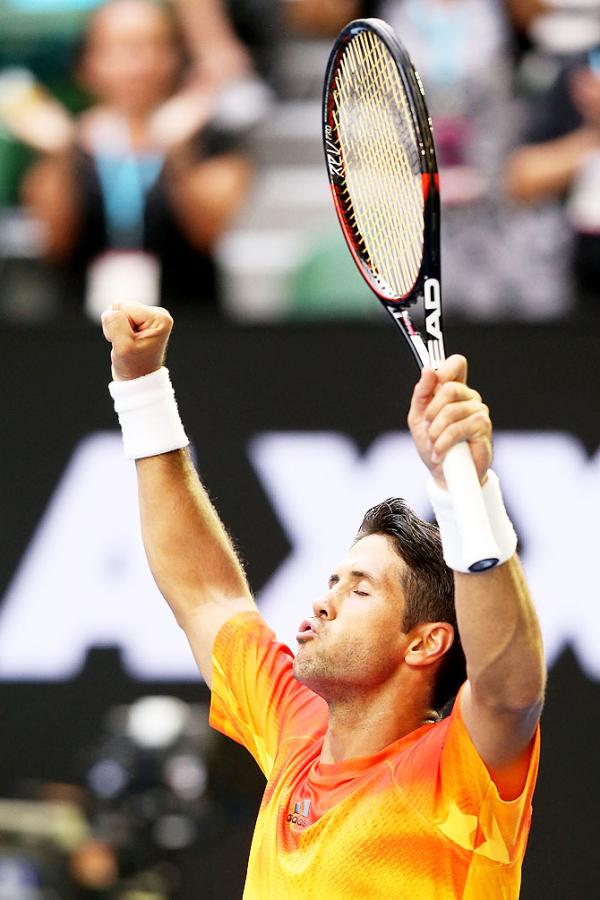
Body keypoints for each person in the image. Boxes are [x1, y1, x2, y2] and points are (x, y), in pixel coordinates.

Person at [101, 301, 545, 898]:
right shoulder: (296, 729)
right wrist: (141, 387)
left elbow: (509, 690)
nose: (322, 604)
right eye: (333, 582)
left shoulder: (455, 776)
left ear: (425, 642)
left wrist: (467, 492)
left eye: (359, 589)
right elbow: (205, 593)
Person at [8, 0, 253, 315]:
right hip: (80, 332)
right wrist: (60, 157)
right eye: (119, 48)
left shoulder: (210, 133)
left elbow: (208, 232)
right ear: (87, 63)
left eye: (151, 46)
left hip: (191, 324)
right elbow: (55, 243)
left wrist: (177, 153)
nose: (137, 64)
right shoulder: (62, 140)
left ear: (176, 57)